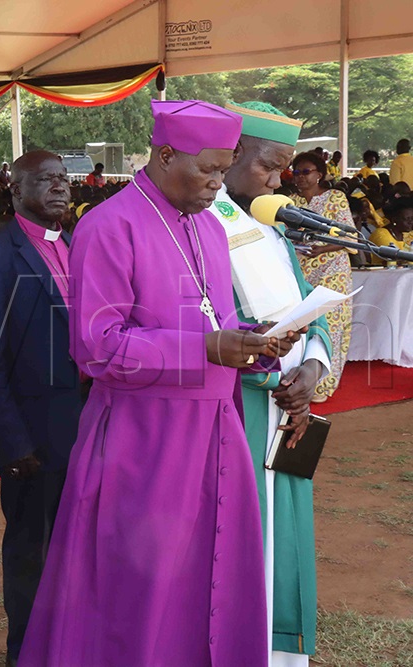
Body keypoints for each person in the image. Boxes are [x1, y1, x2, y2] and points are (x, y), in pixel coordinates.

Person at [19, 100, 298, 667]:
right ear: (166, 154)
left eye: (225, 170)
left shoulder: (209, 230)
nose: (219, 185)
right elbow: (98, 347)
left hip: (215, 432)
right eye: (210, 171)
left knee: (211, 579)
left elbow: (210, 324)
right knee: (141, 592)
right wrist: (208, 347)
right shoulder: (108, 225)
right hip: (144, 442)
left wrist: (255, 343)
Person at [210, 101, 333, 666]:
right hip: (236, 412)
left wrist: (310, 369)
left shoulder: (276, 232)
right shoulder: (198, 223)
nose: (278, 181)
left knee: (281, 537)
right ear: (231, 155)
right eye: (268, 166)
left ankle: (277, 653)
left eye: (285, 168)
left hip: (288, 408)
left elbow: (314, 310)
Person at [0, 150, 88, 667]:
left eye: (63, 179)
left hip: (87, 425)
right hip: (33, 438)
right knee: (32, 556)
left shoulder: (77, 246)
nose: (59, 187)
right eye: (45, 180)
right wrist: (13, 442)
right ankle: (28, 654)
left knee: (82, 546)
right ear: (15, 191)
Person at [290, 151, 355, 401]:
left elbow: (349, 236)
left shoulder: (335, 198)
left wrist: (322, 248)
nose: (300, 177)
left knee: (332, 324)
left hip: (333, 269)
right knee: (304, 324)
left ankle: (324, 385)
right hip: (301, 268)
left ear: (320, 174)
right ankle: (302, 379)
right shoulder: (290, 202)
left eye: (306, 172)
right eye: (296, 172)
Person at [371, 196, 413, 261]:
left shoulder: (406, 235)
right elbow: (393, 261)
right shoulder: (381, 234)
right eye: (407, 219)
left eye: (412, 218)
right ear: (394, 220)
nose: (411, 222)